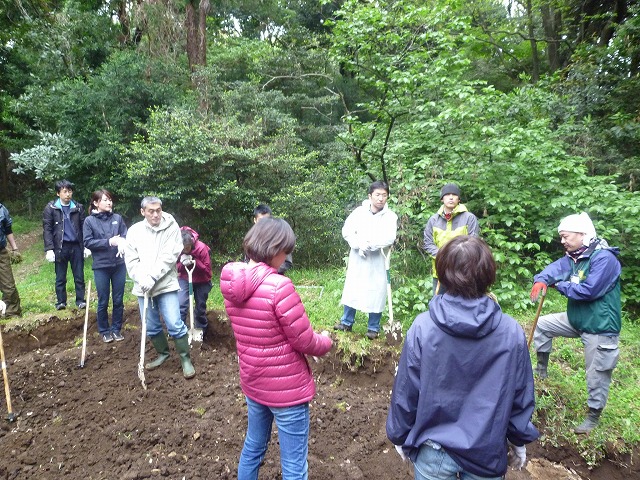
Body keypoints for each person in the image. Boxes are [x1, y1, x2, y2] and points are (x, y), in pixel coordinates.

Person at [387, 235, 539, 479]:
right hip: (486, 452)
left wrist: (399, 435)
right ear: (488, 273)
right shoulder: (510, 332)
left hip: (433, 449)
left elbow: (407, 390)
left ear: (443, 272)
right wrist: (518, 439)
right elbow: (520, 394)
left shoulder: (424, 327)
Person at [220, 217, 333, 480]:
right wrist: (326, 341)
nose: (287, 257)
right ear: (274, 249)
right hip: (287, 391)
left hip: (254, 382)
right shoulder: (279, 287)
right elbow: (304, 341)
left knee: (253, 447)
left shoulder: (230, 284)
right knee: (294, 465)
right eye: (286, 251)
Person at [530, 211, 621, 434]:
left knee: (597, 372)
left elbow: (589, 291)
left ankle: (593, 416)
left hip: (599, 326)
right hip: (576, 319)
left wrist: (558, 286)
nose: (562, 241)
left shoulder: (604, 259)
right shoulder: (575, 257)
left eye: (566, 236)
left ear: (583, 234)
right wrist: (542, 279)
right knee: (543, 325)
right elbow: (556, 269)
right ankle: (541, 370)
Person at [124, 196, 195, 379]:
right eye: (151, 211)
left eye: (158, 210)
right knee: (151, 326)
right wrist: (141, 278)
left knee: (174, 323)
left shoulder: (171, 226)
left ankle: (185, 359)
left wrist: (153, 276)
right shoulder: (134, 232)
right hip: (144, 286)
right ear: (143, 212)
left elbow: (170, 255)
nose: (156, 214)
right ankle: (163, 354)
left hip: (165, 283)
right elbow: (131, 260)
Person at [334, 180, 397, 339]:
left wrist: (371, 245)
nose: (380, 198)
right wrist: (358, 244)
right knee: (353, 287)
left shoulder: (390, 216)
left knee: (377, 291)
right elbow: (347, 231)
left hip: (378, 260)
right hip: (358, 258)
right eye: (377, 195)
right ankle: (346, 322)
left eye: (384, 195)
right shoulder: (359, 213)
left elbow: (389, 237)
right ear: (370, 196)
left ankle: (373, 328)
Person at [83, 189, 128, 343]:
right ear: (96, 203)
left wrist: (122, 243)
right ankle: (104, 330)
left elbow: (125, 235)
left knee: (118, 299)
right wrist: (109, 242)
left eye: (110, 199)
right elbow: (88, 242)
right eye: (105, 200)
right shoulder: (89, 221)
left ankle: (116, 329)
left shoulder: (117, 218)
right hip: (101, 266)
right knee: (103, 299)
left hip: (119, 264)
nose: (109, 203)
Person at [423, 183, 480, 295]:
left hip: (464, 272)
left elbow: (473, 242)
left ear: (459, 199)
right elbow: (428, 243)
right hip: (440, 272)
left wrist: (455, 257)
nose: (451, 197)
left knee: (464, 306)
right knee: (439, 306)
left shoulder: (469, 218)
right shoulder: (433, 220)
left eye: (454, 195)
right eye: (447, 194)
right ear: (442, 199)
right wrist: (444, 256)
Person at [43, 179, 90, 310]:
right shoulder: (51, 208)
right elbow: (47, 229)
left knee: (79, 275)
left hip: (76, 246)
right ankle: (61, 302)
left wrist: (86, 245)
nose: (68, 194)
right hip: (60, 246)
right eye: (65, 191)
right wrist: (49, 249)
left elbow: (83, 226)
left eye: (70, 191)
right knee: (60, 277)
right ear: (58, 193)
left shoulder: (78, 207)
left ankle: (80, 300)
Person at [176, 226, 212, 334]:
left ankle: (202, 332)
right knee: (181, 303)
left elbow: (207, 270)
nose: (185, 250)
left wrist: (195, 261)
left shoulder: (201, 248)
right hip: (184, 278)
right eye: (183, 248)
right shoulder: (177, 248)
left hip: (202, 280)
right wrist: (182, 264)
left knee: (200, 307)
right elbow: (175, 266)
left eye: (187, 248)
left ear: (191, 243)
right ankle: (180, 332)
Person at [253, 204, 293, 274]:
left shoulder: (278, 237)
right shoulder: (251, 239)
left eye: (266, 220)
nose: (264, 224)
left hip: (275, 279)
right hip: (255, 279)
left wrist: (268, 271)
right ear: (255, 220)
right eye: (261, 220)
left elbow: (287, 263)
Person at [0, 202, 22, 317]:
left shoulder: (2, 209)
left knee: (8, 285)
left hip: (1, 252)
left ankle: (12, 313)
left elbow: (8, 230)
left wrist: (15, 248)